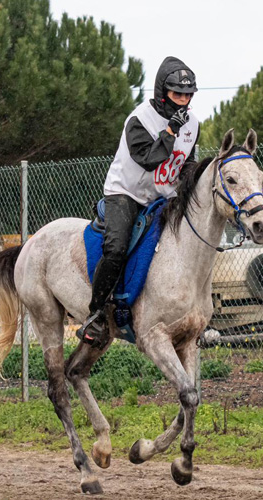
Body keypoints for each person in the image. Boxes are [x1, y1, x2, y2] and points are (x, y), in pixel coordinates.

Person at [77, 56, 201, 347]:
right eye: (177, 94)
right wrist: (170, 131)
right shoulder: (139, 119)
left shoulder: (192, 124)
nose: (183, 101)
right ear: (162, 92)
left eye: (188, 95)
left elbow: (187, 163)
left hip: (164, 193)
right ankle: (96, 313)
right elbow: (148, 159)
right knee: (117, 247)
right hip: (127, 192)